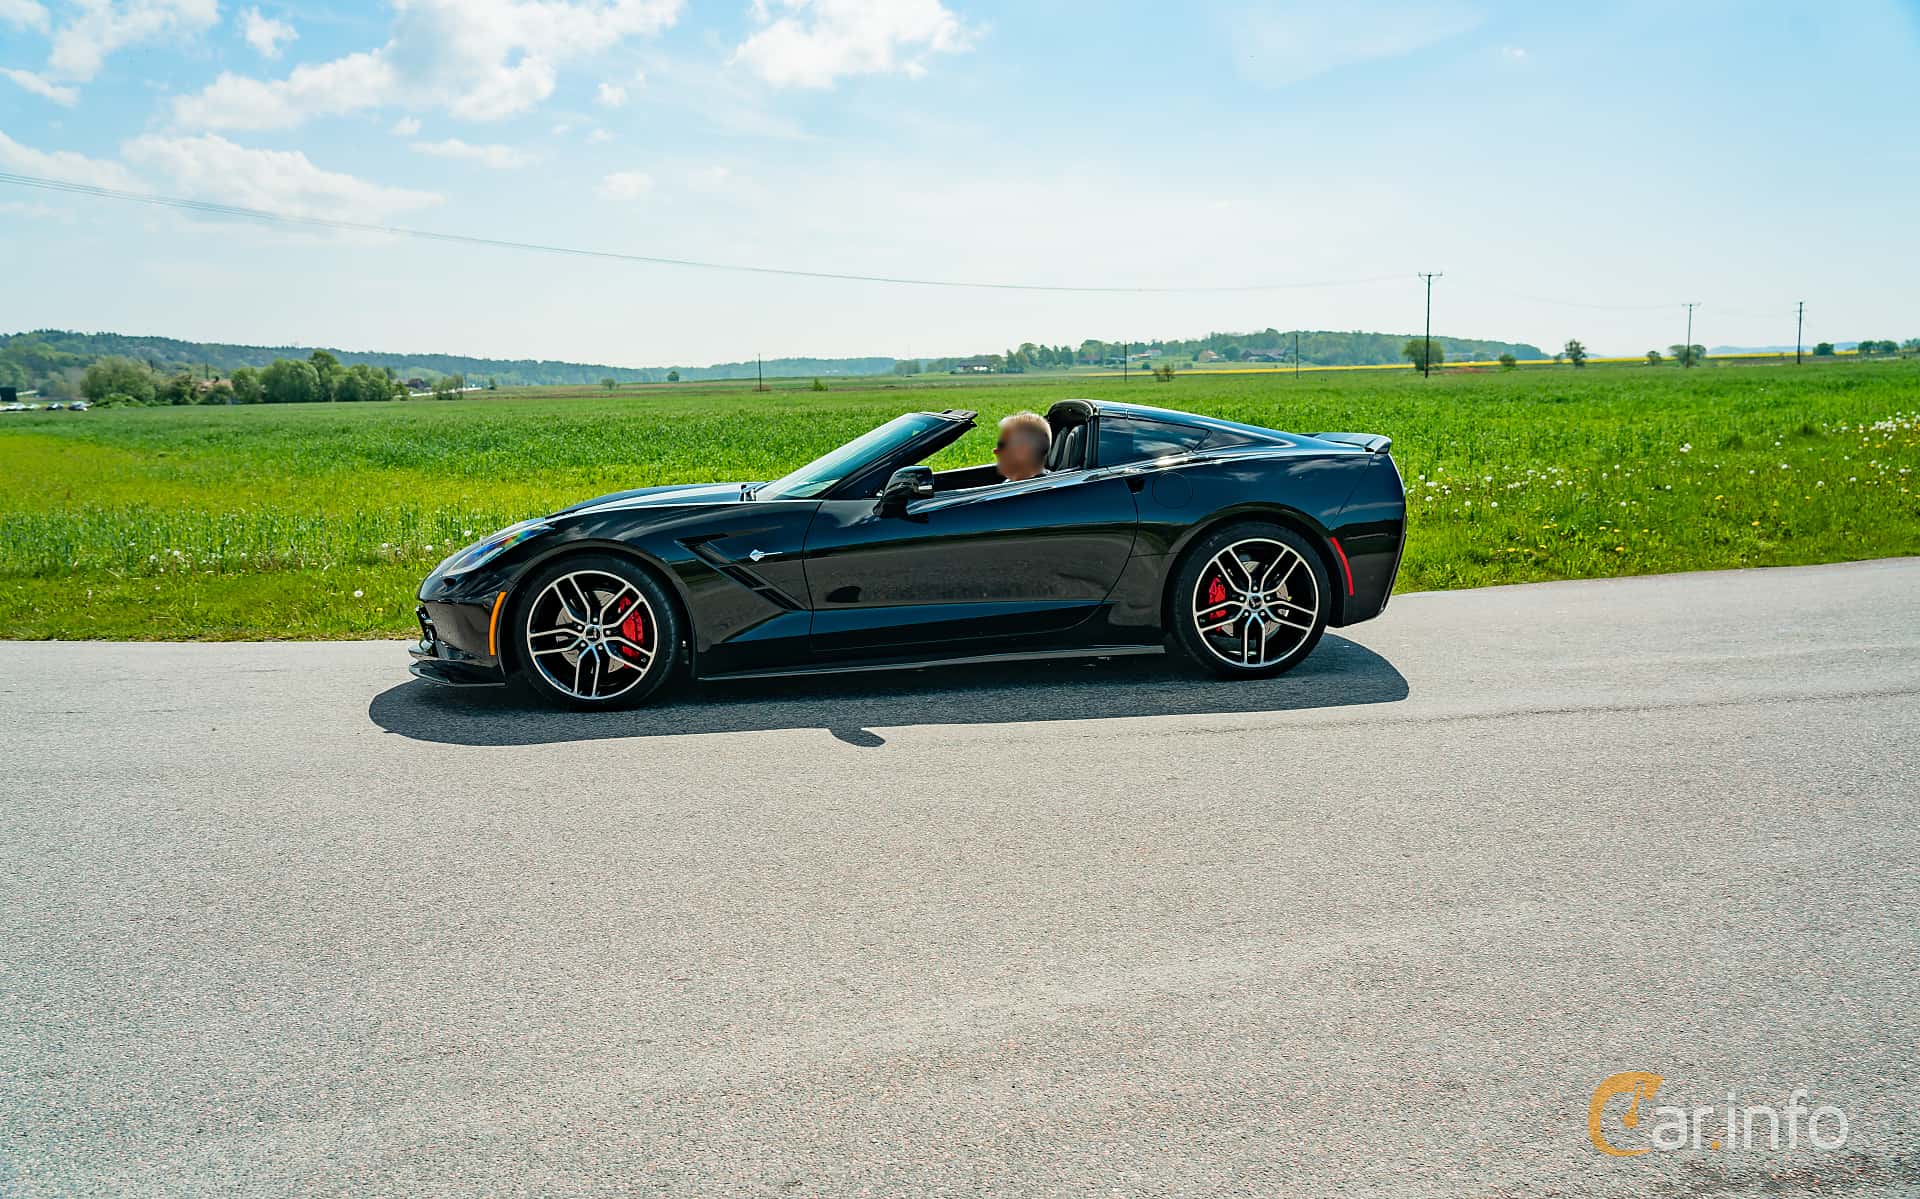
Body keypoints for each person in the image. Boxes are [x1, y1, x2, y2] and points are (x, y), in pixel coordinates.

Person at [994, 411, 1051, 483]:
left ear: (1023, 451)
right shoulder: (1014, 485)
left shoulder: (1036, 492)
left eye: (1001, 445)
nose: (995, 451)